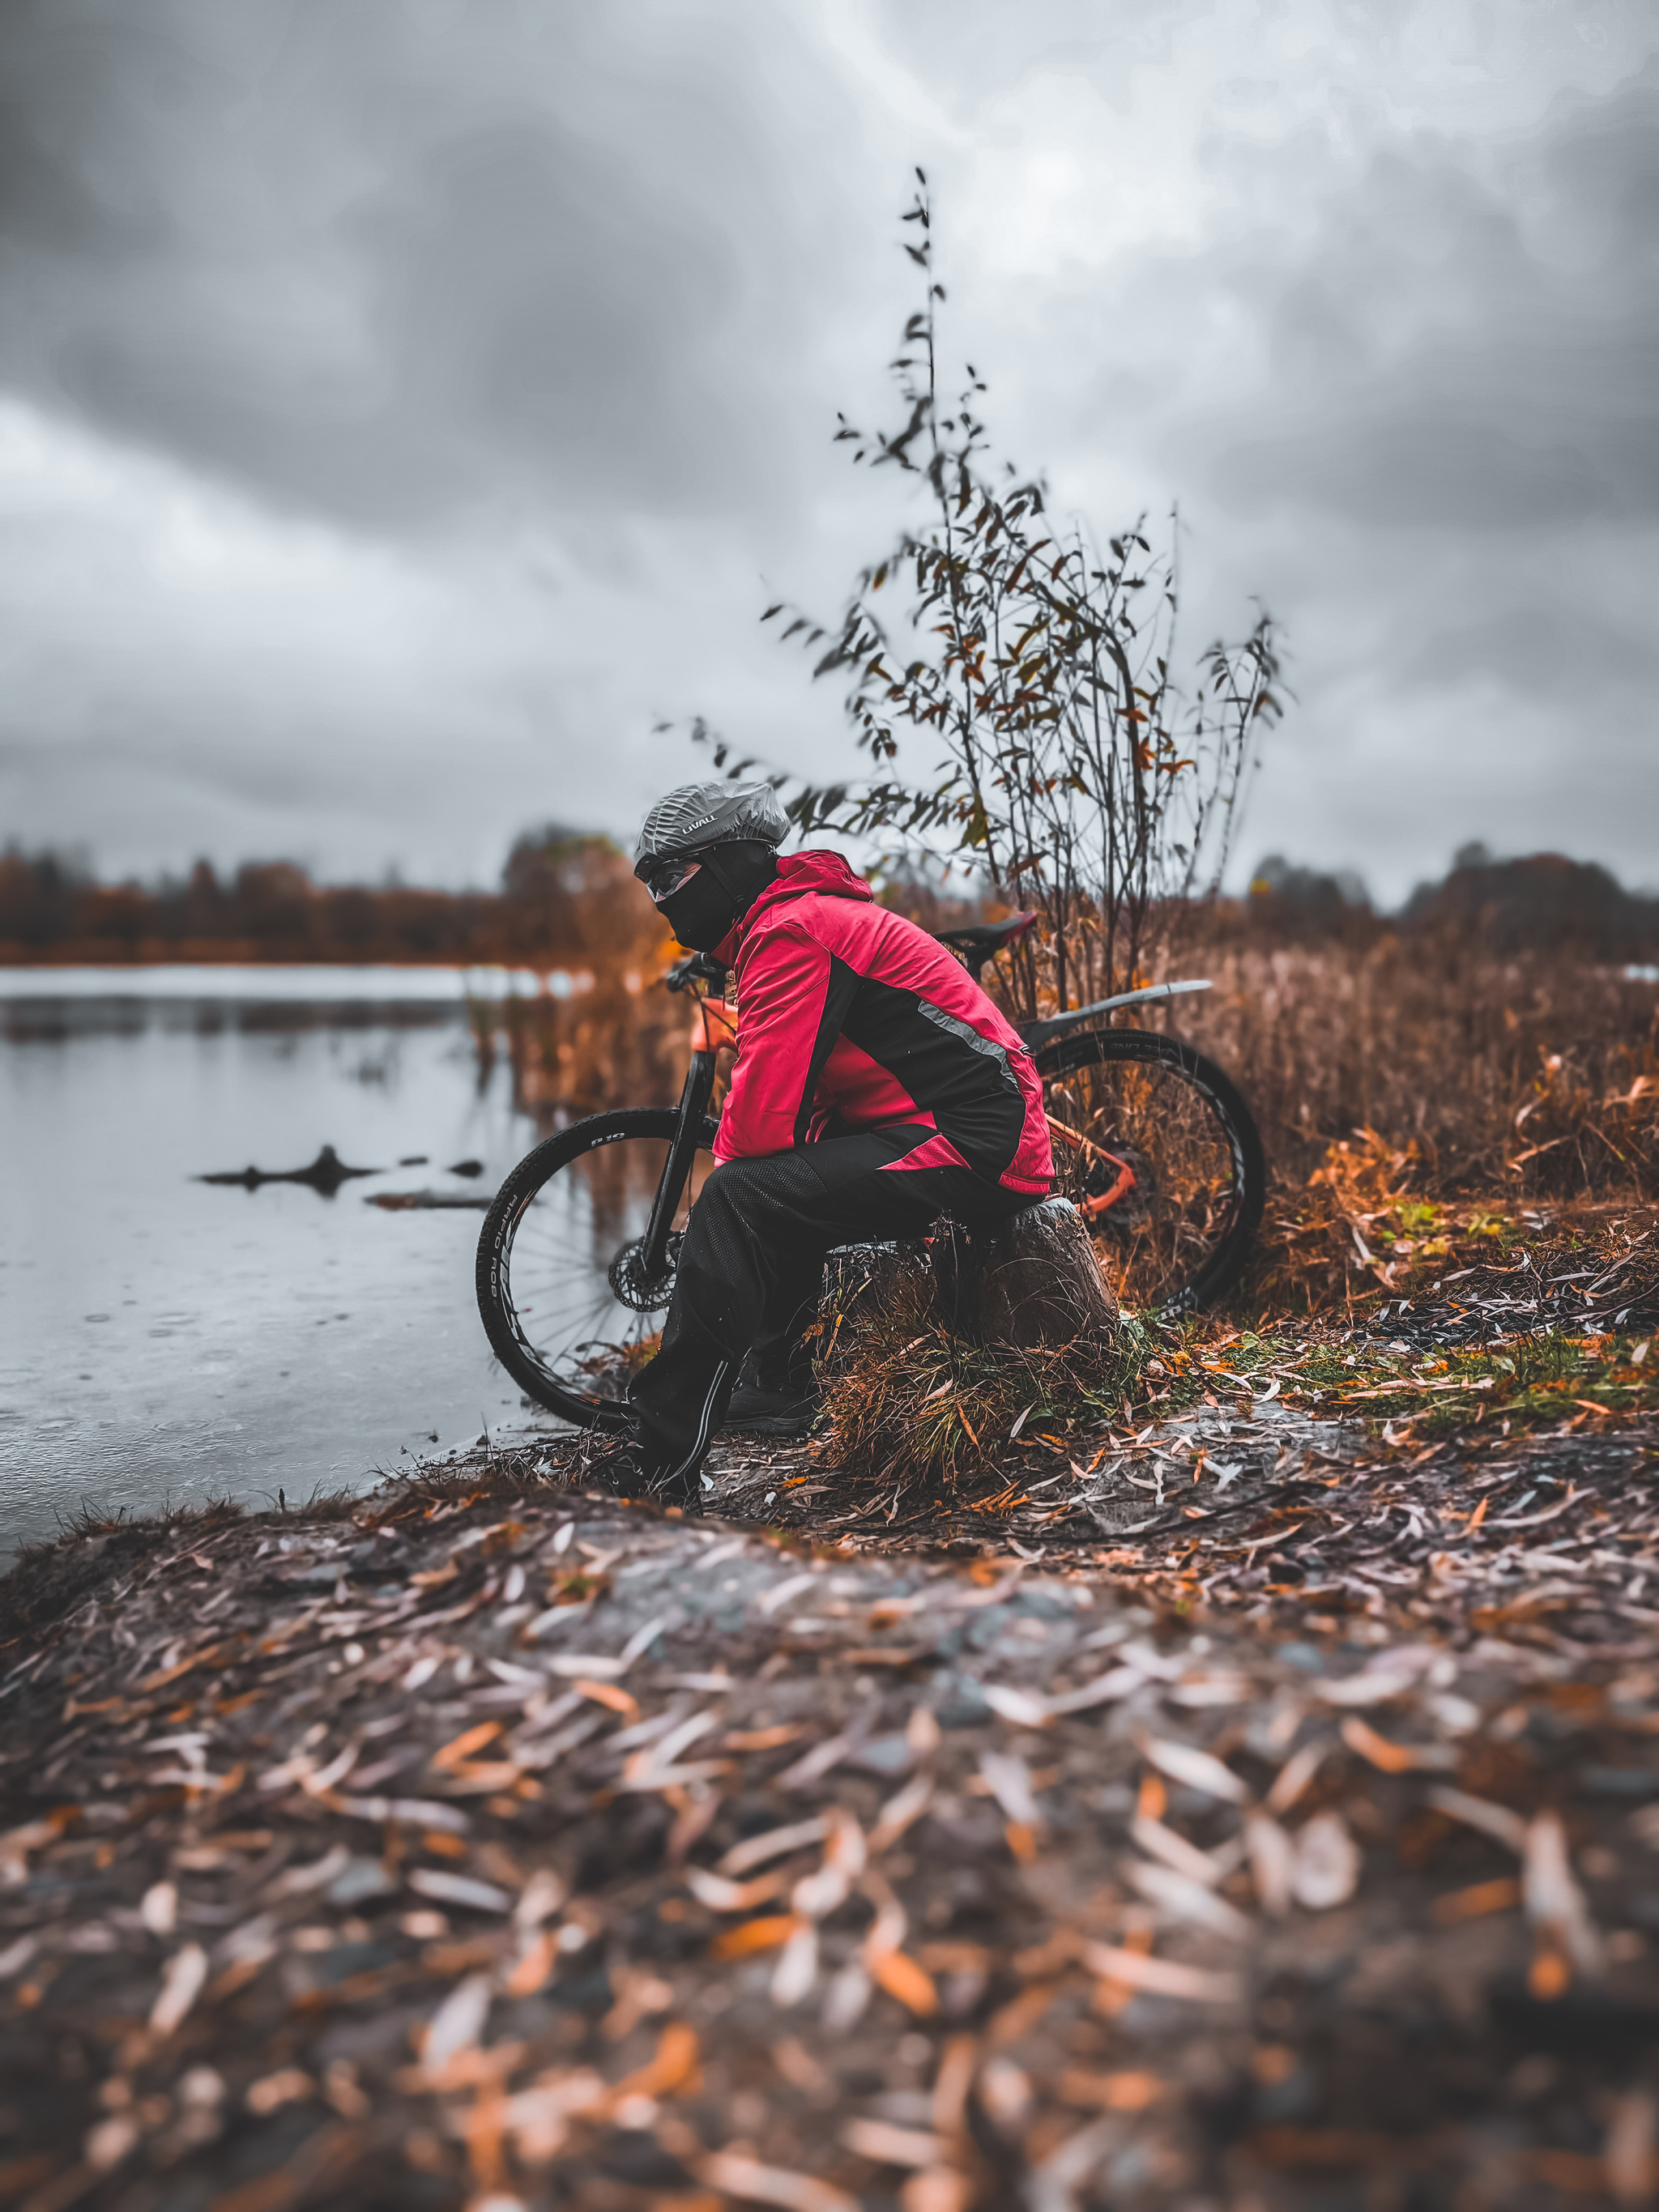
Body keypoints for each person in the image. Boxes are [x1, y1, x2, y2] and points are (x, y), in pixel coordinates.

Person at [603, 779, 1055, 1509]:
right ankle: (778, 1386)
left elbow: (757, 1128)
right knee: (771, 1184)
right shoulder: (787, 924)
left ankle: (660, 1461)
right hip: (941, 1127)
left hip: (981, 1140)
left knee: (737, 1197)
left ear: (726, 865)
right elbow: (792, 1111)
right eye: (651, 882)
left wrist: (716, 1229)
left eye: (670, 876)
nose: (661, 896)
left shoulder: (795, 929)